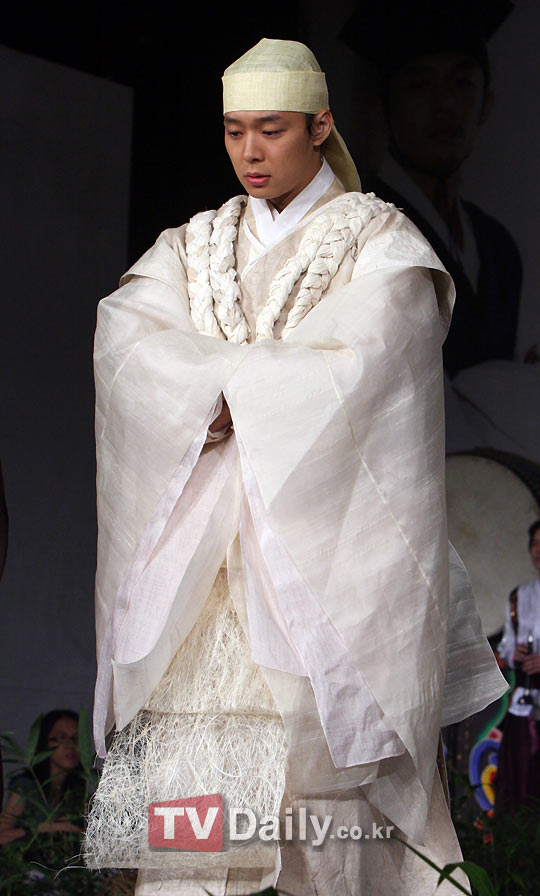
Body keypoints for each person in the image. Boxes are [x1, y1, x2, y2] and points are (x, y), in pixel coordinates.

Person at [85, 38, 506, 895]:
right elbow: (127, 342)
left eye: (271, 129)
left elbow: (372, 359)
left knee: (325, 812)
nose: (249, 151)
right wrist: (219, 393)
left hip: (323, 576)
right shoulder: (193, 243)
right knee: (189, 818)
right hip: (201, 593)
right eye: (234, 130)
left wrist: (223, 388)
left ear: (320, 126)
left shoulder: (378, 241)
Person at [341, 0, 523, 378]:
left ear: (487, 103)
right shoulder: (357, 232)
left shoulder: (498, 247)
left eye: (462, 83)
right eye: (419, 85)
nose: (444, 105)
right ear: (381, 108)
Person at [495, 520, 540, 813]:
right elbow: (506, 647)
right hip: (525, 701)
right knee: (519, 784)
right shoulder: (519, 596)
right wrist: (517, 655)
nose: (538, 550)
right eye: (535, 543)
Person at [0, 710, 84, 847]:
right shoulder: (27, 787)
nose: (70, 745)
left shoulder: (79, 791)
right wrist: (48, 827)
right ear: (45, 743)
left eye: (76, 738)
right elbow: (2, 835)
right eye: (62, 737)